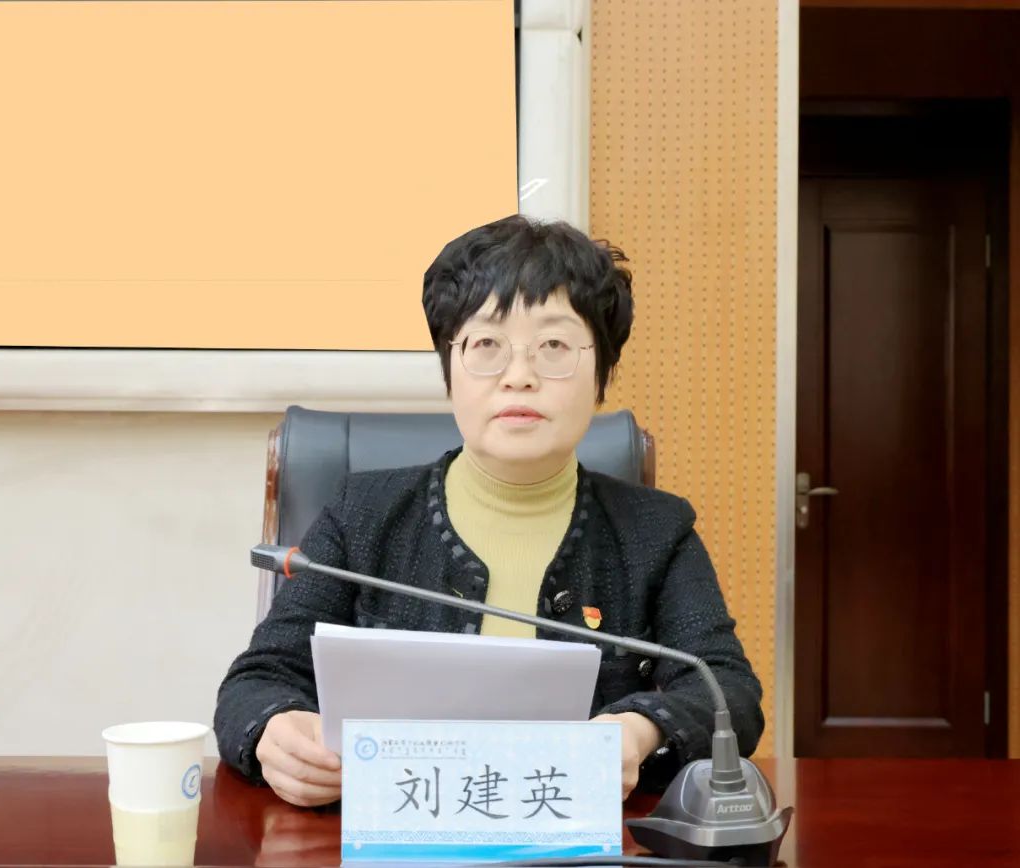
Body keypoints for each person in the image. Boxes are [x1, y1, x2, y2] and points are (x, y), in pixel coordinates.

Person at [214, 214, 764, 808]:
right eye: (486, 345)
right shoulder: (362, 514)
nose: (519, 377)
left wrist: (639, 730)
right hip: (393, 828)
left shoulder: (656, 530)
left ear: (602, 374)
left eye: (554, 346)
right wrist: (276, 730)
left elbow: (726, 690)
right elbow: (258, 680)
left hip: (578, 834)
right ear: (449, 370)